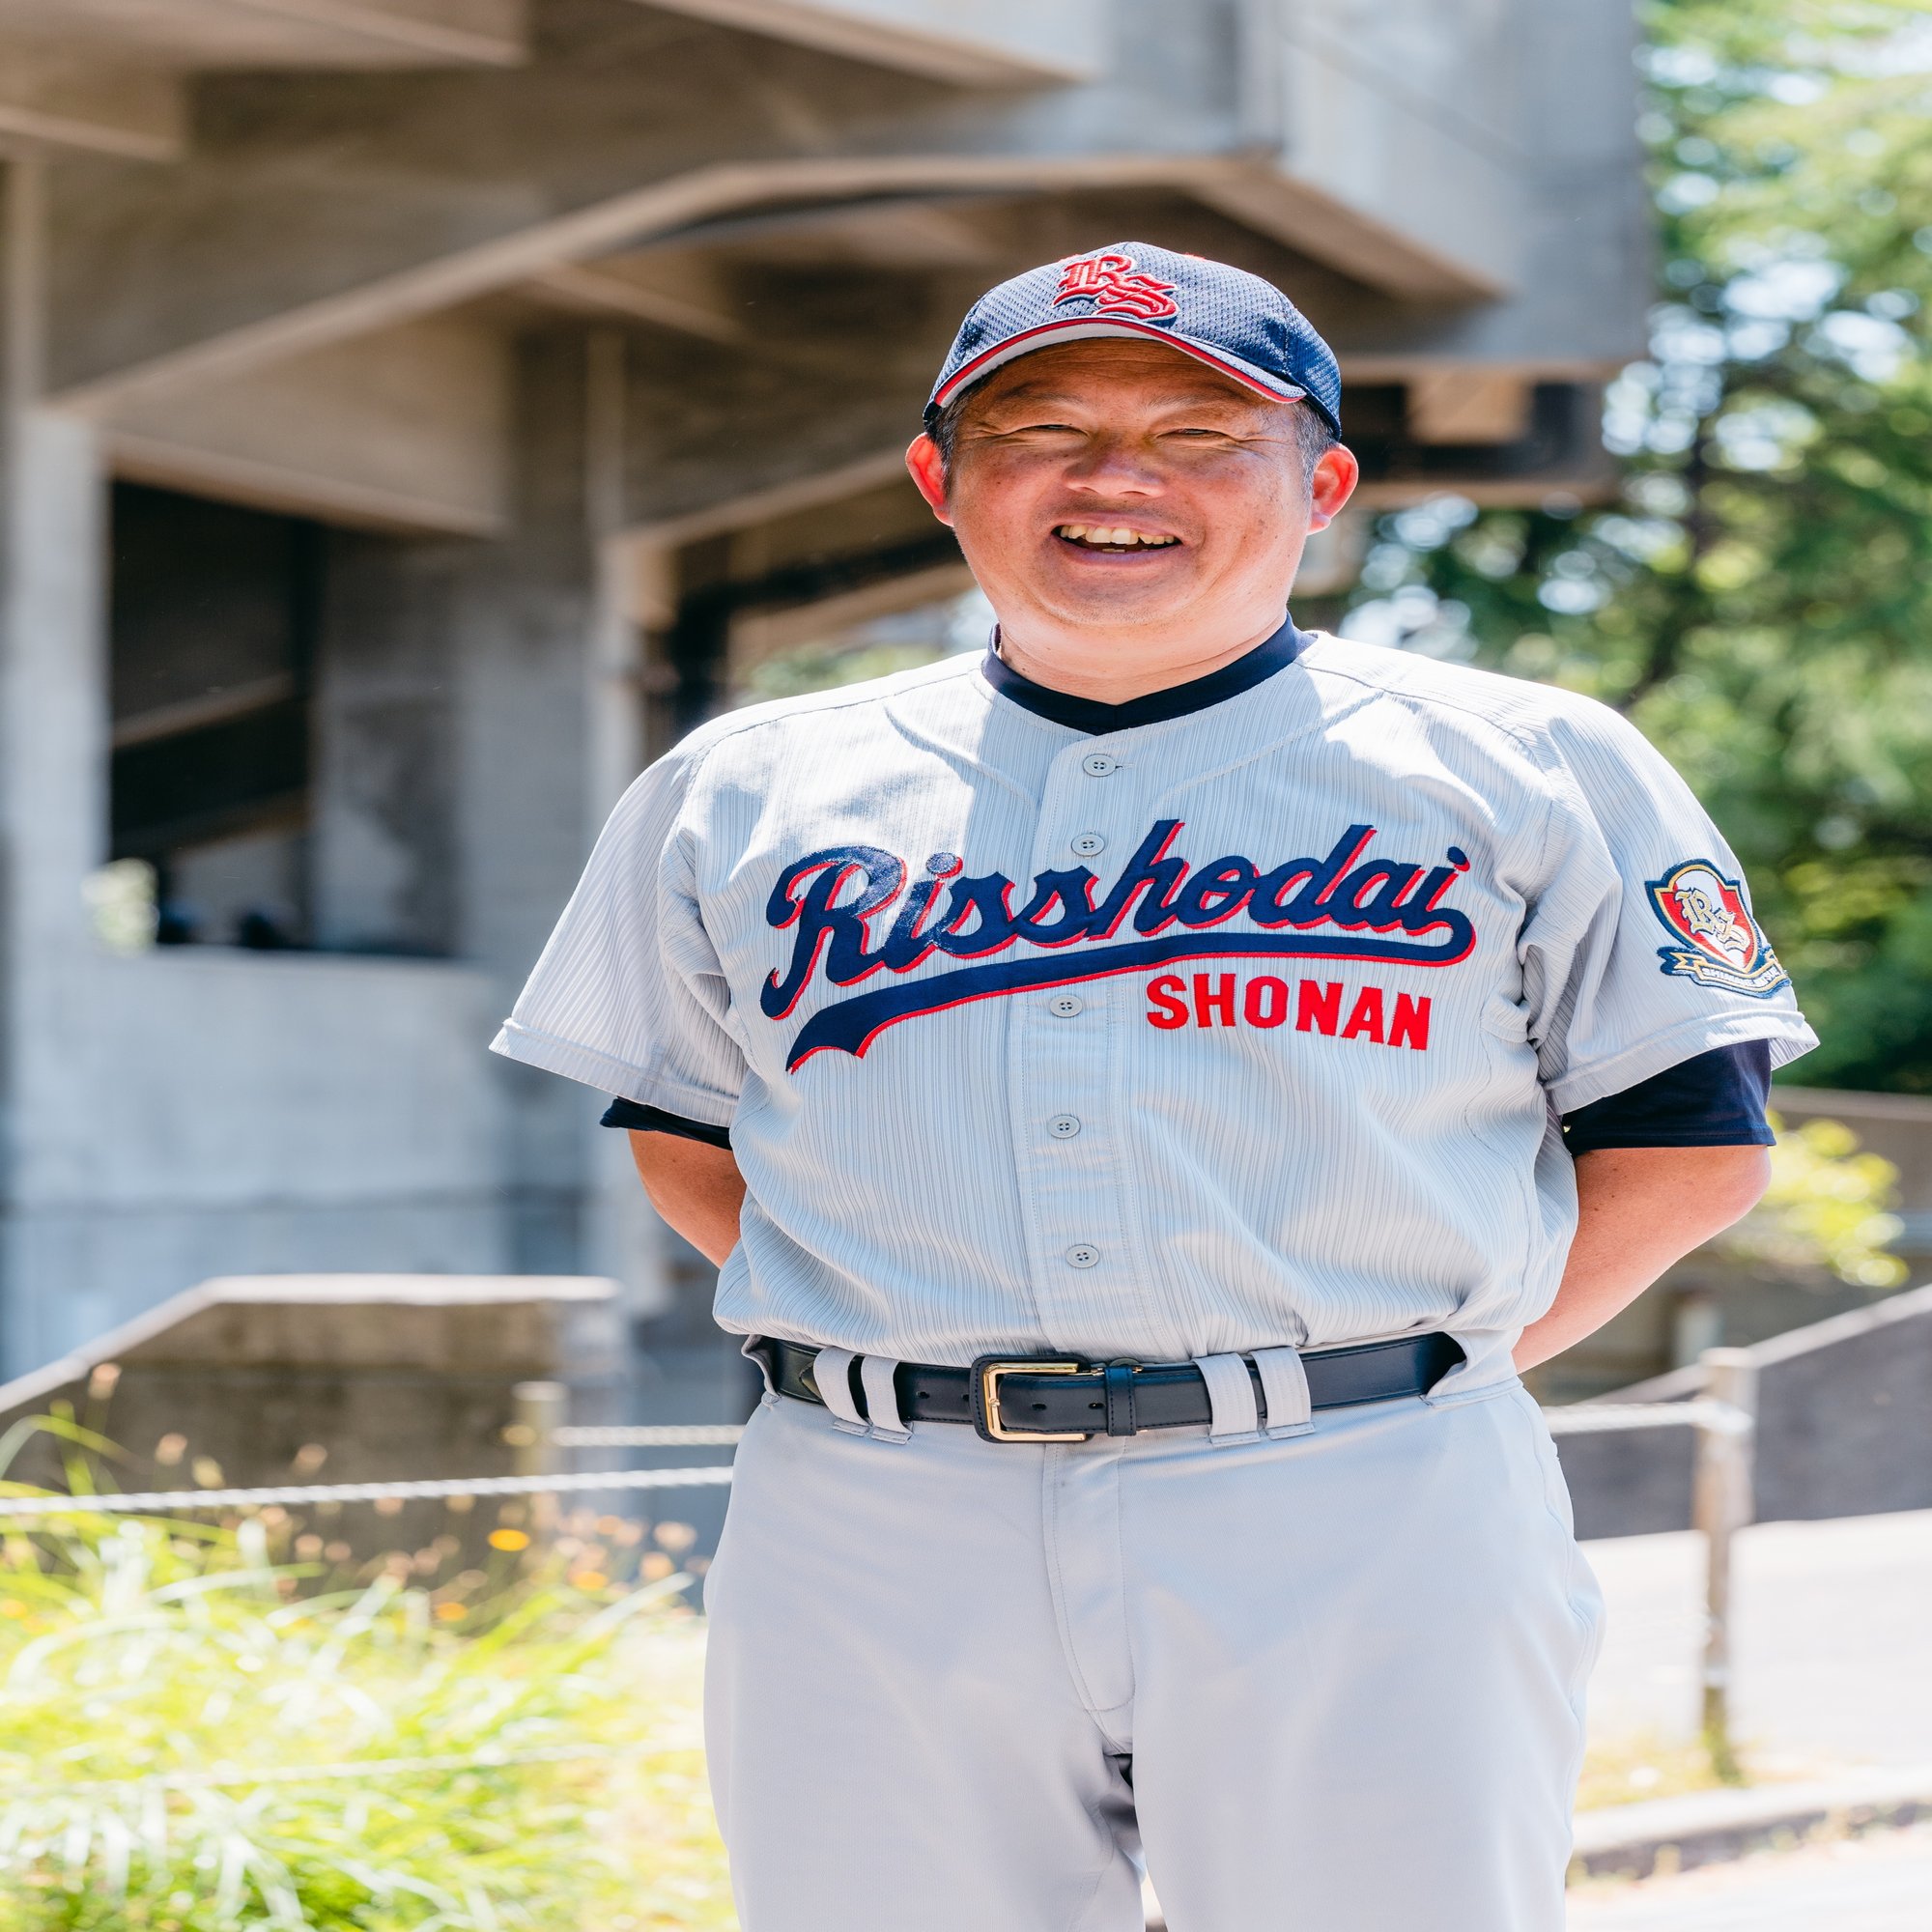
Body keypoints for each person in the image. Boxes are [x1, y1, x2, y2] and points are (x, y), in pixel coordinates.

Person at [493, 243, 1816, 1932]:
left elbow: (1689, 1147)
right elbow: (690, 1143)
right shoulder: (746, 786)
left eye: (1201, 432)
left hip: (1363, 1497)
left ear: (1323, 482)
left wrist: (1384, 1374)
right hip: (878, 1505)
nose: (1116, 478)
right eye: (1041, 425)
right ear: (940, 482)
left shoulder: (1531, 762)